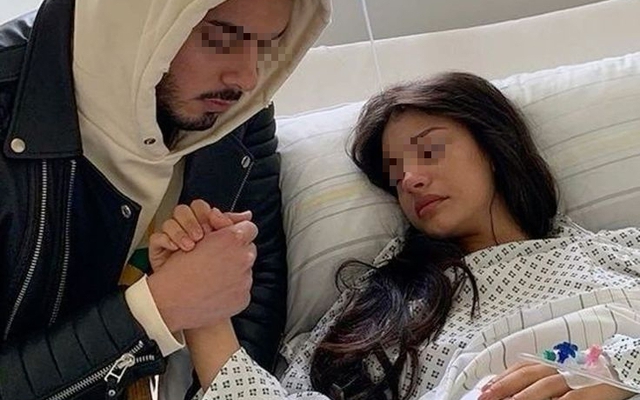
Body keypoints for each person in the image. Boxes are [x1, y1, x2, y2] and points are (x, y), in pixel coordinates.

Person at [152, 72, 640, 399]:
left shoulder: (620, 250)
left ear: (494, 147)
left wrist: (610, 373)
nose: (409, 180)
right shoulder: (375, 314)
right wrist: (202, 312)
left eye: (429, 151)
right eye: (394, 176)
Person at [0, 0, 330, 398]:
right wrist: (154, 310)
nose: (247, 77)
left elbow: (253, 280)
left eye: (266, 45)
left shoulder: (235, 113)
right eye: (222, 37)